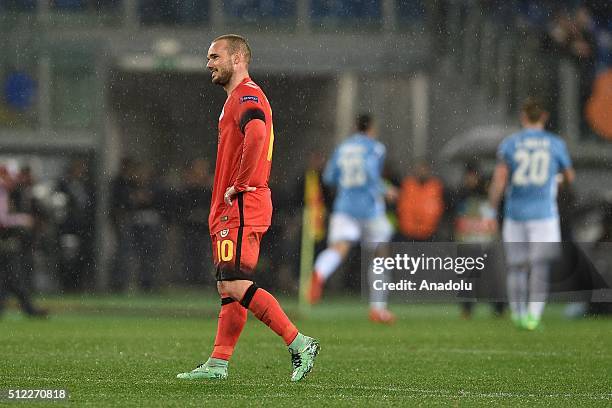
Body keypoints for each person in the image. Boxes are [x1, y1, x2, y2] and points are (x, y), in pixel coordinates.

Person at [176, 34, 319, 382]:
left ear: (238, 58)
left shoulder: (247, 94)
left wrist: (241, 182)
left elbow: (256, 133)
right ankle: (218, 363)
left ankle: (299, 342)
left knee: (237, 284)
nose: (209, 63)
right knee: (228, 287)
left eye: (215, 56)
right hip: (233, 206)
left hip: (241, 204)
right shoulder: (235, 99)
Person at [488, 97, 575, 331]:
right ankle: (533, 316)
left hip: (515, 213)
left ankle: (517, 313)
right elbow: (569, 176)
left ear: (523, 117)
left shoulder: (510, 143)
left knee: (516, 266)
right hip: (544, 214)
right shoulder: (555, 143)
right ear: (544, 117)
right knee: (540, 267)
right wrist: (558, 180)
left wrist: (491, 206)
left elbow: (500, 178)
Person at [307, 113, 397, 324]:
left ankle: (319, 273)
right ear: (371, 128)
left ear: (356, 127)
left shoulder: (342, 148)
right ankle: (378, 308)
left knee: (339, 248)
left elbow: (329, 177)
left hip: (345, 206)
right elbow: (370, 173)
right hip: (369, 208)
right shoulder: (376, 148)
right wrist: (386, 189)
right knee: (380, 254)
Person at [396, 160, 445, 242]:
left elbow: (441, 207)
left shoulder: (436, 187)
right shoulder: (407, 184)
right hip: (408, 232)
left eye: (424, 170)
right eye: (420, 169)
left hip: (429, 233)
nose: (422, 172)